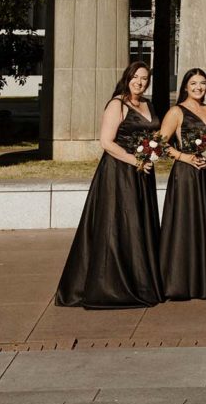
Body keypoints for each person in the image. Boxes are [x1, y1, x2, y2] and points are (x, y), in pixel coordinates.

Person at [55, 61, 164, 308]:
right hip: (119, 172)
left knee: (139, 224)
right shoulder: (117, 104)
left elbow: (152, 136)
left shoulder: (147, 104)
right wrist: (134, 159)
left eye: (144, 78)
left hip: (142, 173)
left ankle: (142, 281)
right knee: (119, 224)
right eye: (135, 77)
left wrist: (151, 154)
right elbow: (106, 142)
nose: (140, 82)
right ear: (127, 78)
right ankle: (114, 285)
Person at [158, 68, 206, 300]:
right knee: (186, 225)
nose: (198, 87)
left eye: (202, 83)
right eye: (193, 83)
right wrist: (186, 158)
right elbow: (160, 144)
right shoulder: (176, 111)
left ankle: (205, 281)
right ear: (185, 86)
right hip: (185, 175)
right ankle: (180, 282)